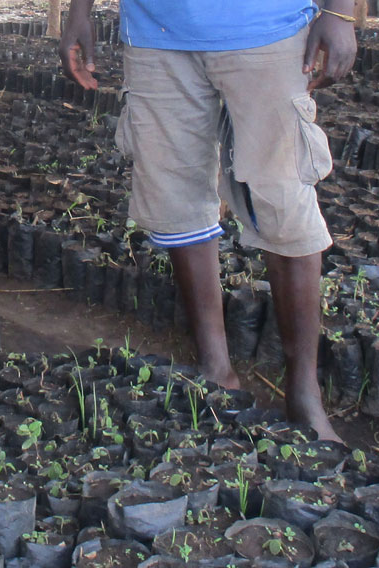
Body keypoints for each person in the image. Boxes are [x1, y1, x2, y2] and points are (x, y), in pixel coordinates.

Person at [59, 0, 357, 443]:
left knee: (284, 201)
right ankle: (216, 370)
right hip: (155, 33)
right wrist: (78, 11)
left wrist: (340, 13)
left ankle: (303, 391)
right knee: (176, 199)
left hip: (266, 28)